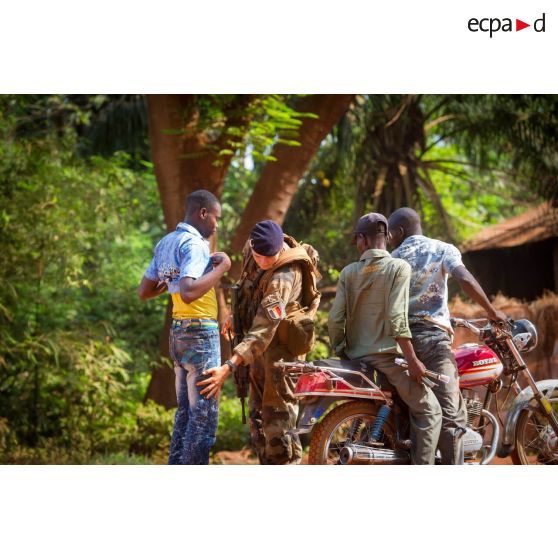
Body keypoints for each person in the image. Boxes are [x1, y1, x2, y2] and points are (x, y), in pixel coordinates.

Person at [388, 207, 507, 464]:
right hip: (431, 342)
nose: (388, 239)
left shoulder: (392, 258)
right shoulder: (442, 249)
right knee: (452, 418)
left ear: (399, 232)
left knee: (418, 410)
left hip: (396, 343)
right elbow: (464, 279)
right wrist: (491, 311)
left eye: (390, 234)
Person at [198, 220, 320, 465]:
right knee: (257, 422)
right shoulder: (250, 249)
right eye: (258, 256)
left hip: (282, 354)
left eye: (270, 257)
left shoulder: (284, 275)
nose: (263, 262)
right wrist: (235, 315)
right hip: (257, 353)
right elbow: (247, 287)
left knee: (278, 425)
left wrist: (229, 366)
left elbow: (265, 327)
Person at [328, 212, 442, 465]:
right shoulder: (398, 268)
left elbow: (335, 318)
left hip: (357, 357)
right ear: (388, 238)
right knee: (430, 410)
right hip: (388, 359)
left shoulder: (348, 272)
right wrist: (412, 360)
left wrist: (342, 351)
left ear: (362, 240)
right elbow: (396, 316)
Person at [138, 189, 231, 465]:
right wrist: (222, 268)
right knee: (203, 418)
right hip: (200, 335)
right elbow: (190, 291)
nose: (216, 225)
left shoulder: (166, 242)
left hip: (178, 334)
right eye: (216, 218)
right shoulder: (194, 244)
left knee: (186, 413)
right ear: (203, 213)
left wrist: (173, 282)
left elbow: (145, 290)